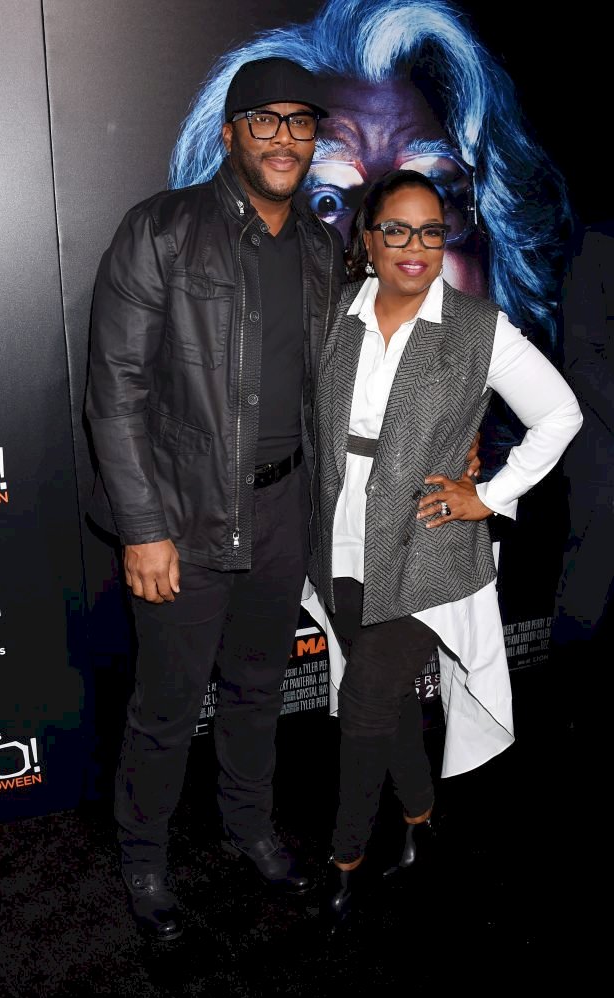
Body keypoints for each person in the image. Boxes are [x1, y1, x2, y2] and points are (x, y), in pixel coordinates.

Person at [168, 0, 574, 700]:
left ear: (487, 231)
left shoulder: (558, 529)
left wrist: (488, 489)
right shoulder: (257, 497)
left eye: (434, 199)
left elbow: (554, 418)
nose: (385, 242)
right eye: (327, 202)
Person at [84, 57, 349, 942]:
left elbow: (348, 380)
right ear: (230, 132)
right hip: (184, 515)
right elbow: (114, 390)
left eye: (299, 122)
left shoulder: (319, 248)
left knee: (256, 689)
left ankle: (249, 828)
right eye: (263, 120)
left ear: (314, 139)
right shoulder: (161, 229)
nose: (282, 137)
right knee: (165, 708)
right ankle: (144, 860)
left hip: (284, 511)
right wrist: (144, 528)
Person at [308, 169, 582, 930]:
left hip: (427, 544)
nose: (415, 247)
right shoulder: (331, 314)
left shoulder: (475, 325)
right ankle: (422, 820)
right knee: (381, 689)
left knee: (362, 699)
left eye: (431, 231)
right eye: (396, 229)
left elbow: (558, 413)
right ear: (366, 237)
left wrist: (488, 493)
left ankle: (345, 862)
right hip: (340, 537)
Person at [548, 220, 614, 757]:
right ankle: (567, 713)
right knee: (592, 583)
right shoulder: (597, 239)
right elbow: (582, 354)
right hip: (603, 452)